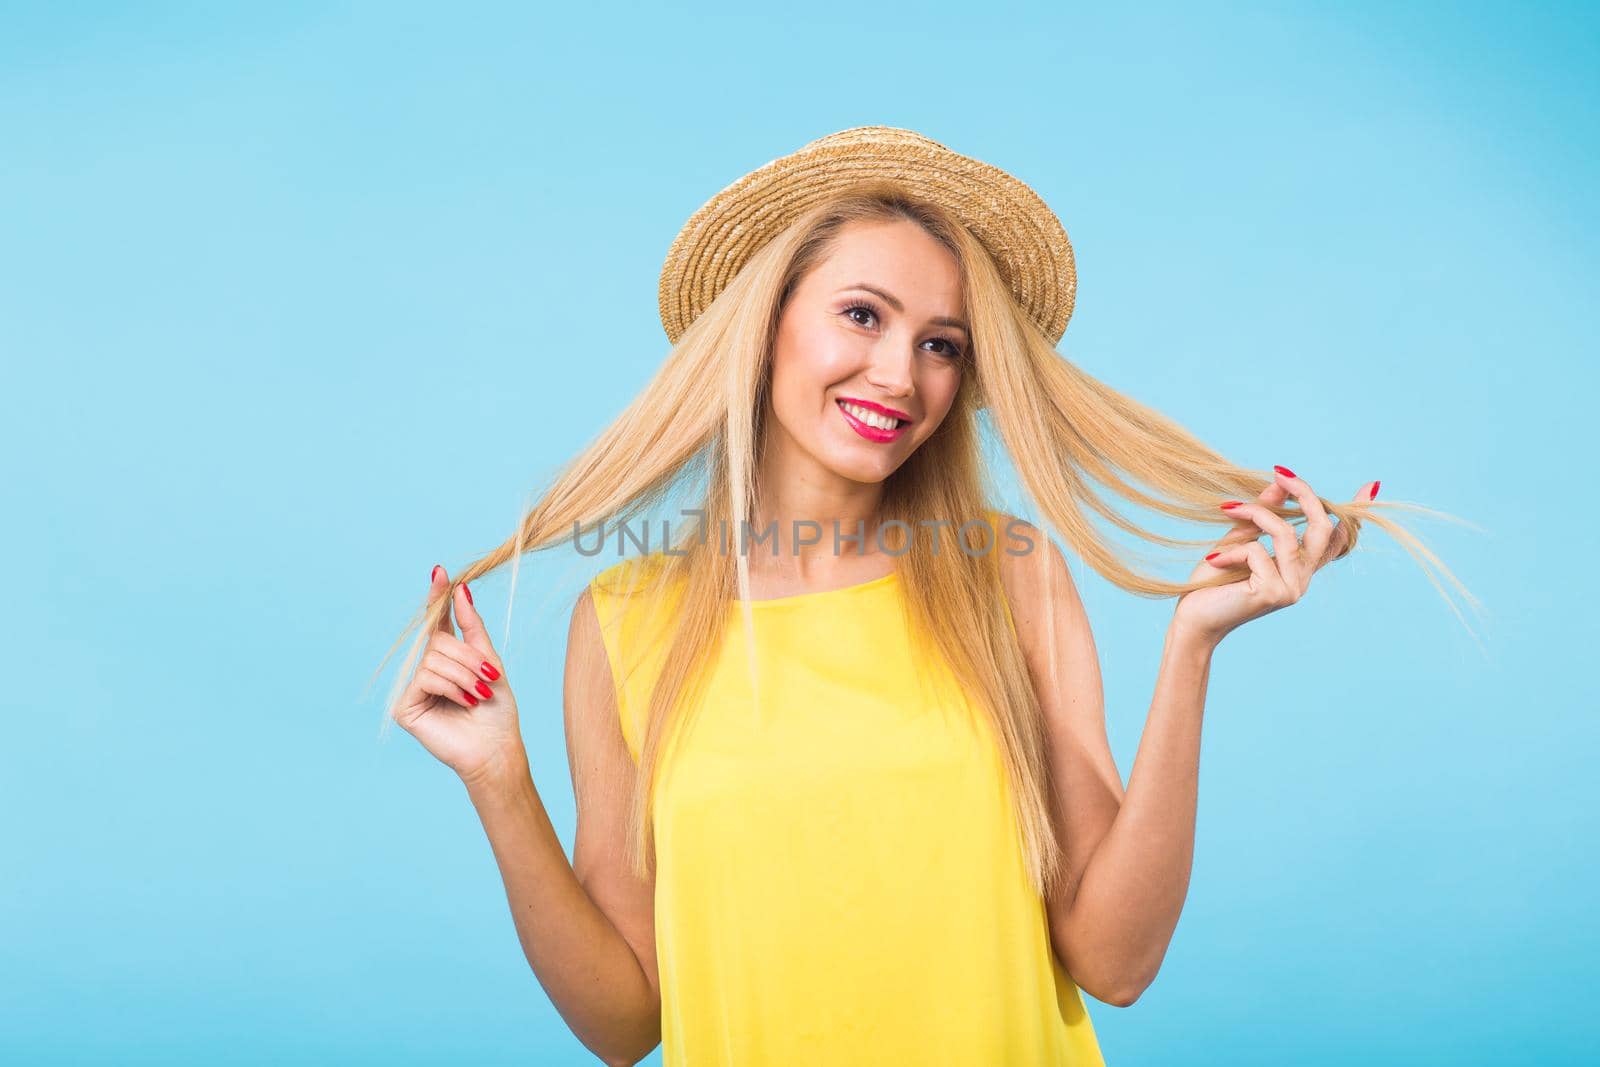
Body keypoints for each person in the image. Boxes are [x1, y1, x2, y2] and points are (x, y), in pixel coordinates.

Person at [378, 127, 1473, 1066]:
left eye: (940, 344)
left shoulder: (1008, 574)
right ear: (765, 325)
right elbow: (625, 1024)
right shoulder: (623, 622)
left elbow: (1117, 961)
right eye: (862, 314)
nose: (902, 375)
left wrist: (1190, 649)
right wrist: (499, 783)